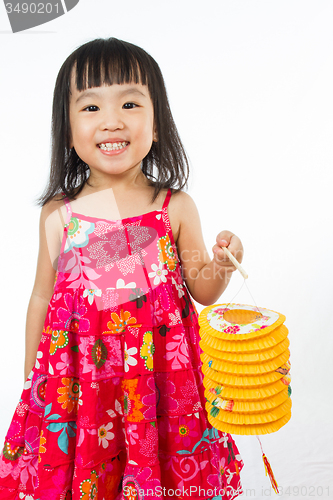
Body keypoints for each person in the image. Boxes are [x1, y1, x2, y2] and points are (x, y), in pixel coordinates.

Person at [0, 37, 244, 500]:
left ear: (157, 125)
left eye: (130, 103)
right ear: (67, 130)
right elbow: (39, 296)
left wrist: (224, 264)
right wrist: (33, 378)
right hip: (81, 388)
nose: (112, 120)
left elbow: (203, 290)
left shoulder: (173, 208)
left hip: (161, 391)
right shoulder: (60, 213)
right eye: (90, 107)